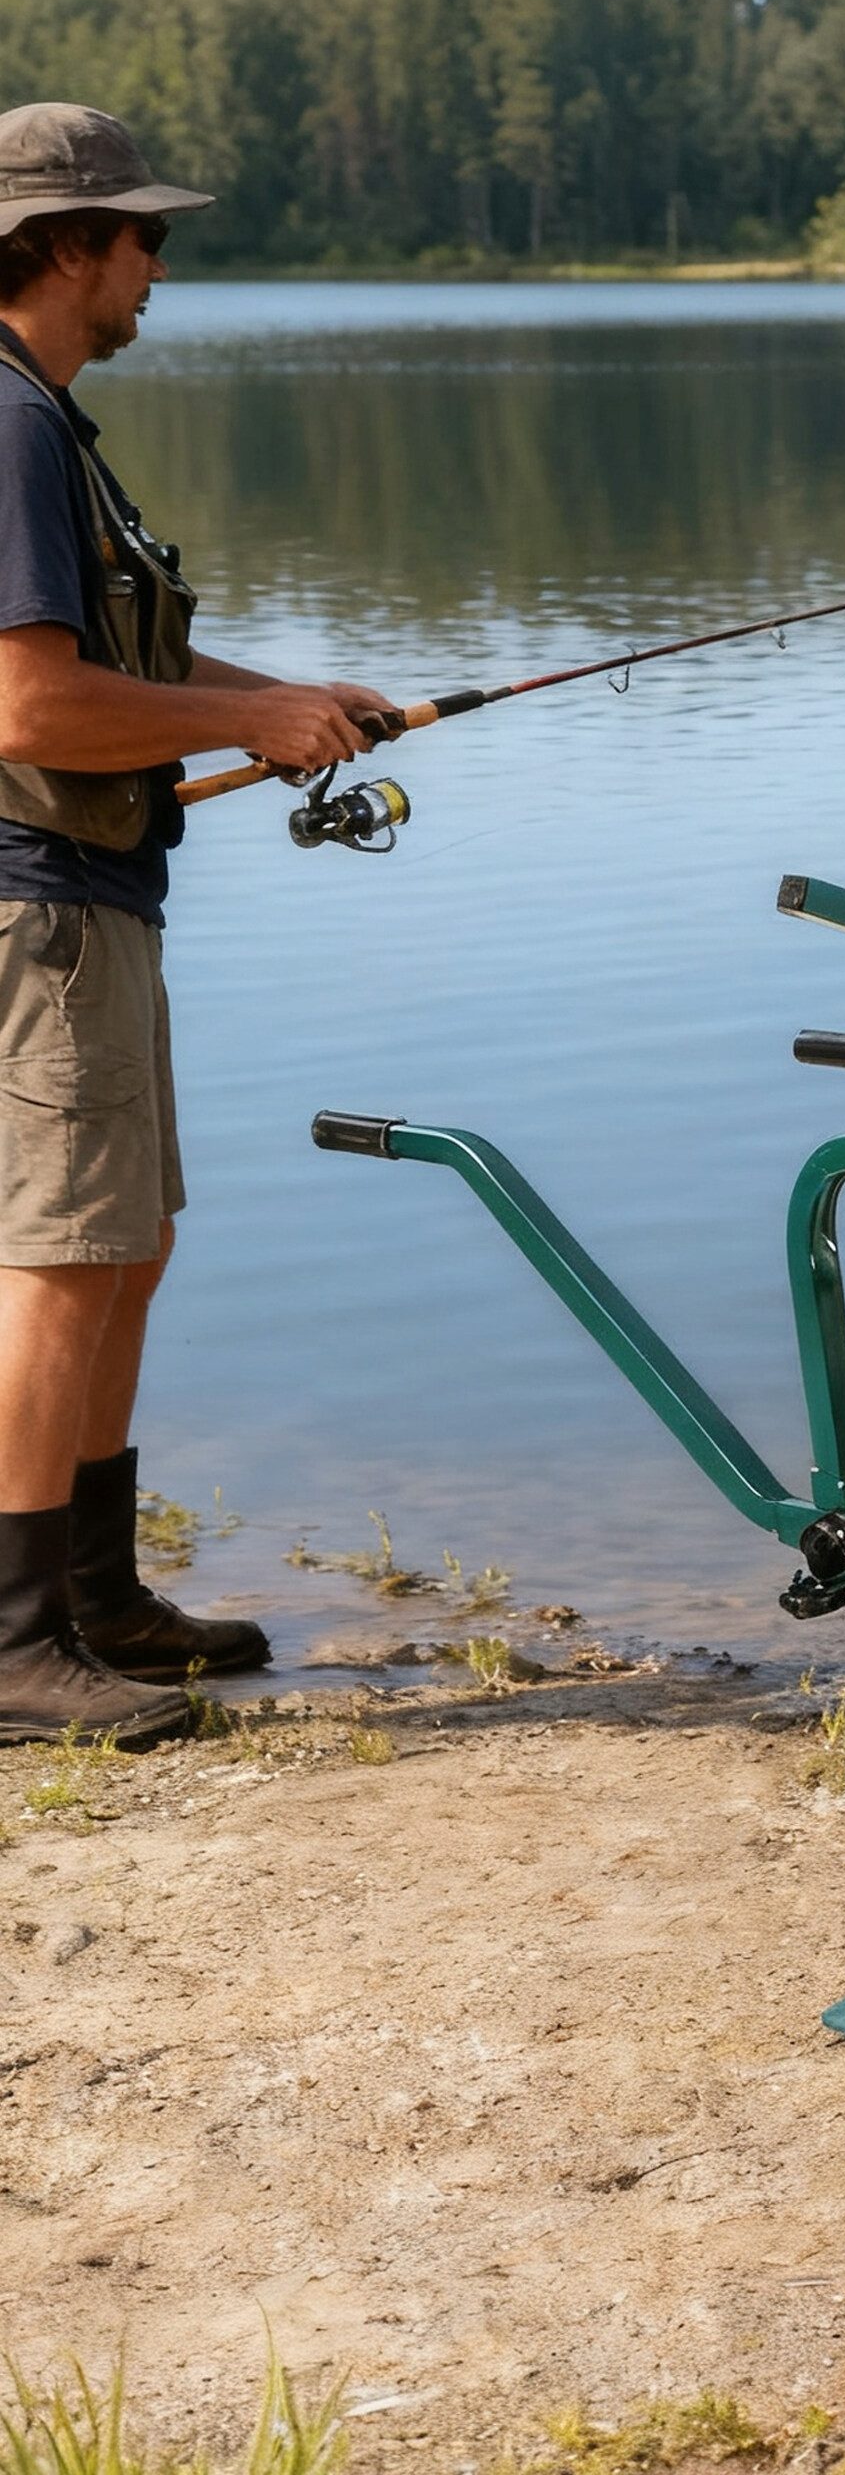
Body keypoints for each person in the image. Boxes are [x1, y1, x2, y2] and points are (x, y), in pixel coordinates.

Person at [0, 103, 391, 1742]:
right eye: (144, 235)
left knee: (125, 1249)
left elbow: (125, 674)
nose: (161, 262)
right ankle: (17, 1646)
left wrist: (286, 700)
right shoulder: (5, 426)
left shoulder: (49, 424)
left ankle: (96, 1600)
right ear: (69, 246)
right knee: (61, 1262)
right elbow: (29, 707)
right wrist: (243, 729)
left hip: (98, 904)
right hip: (41, 917)